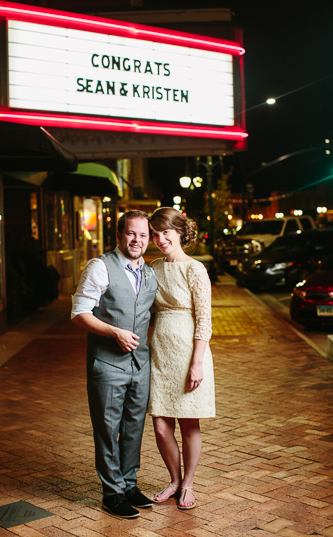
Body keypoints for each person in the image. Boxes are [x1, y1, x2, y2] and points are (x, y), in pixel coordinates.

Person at [71, 210, 157, 519]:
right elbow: (80, 313)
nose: (137, 240)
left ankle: (129, 484)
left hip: (140, 364)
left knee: (133, 427)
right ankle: (112, 492)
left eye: (143, 235)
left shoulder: (149, 272)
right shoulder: (100, 267)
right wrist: (114, 332)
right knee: (108, 429)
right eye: (131, 233)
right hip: (107, 364)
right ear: (119, 235)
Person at [148, 207, 215, 510]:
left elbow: (204, 320)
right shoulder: (153, 267)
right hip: (160, 349)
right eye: (155, 233)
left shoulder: (195, 269)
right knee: (161, 422)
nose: (160, 239)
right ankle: (174, 479)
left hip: (189, 351)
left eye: (165, 232)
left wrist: (197, 362)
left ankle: (188, 483)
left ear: (179, 232)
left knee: (189, 422)